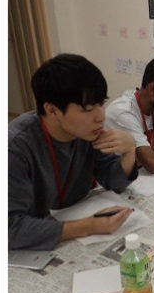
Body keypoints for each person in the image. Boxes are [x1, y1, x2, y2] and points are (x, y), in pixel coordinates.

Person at [9, 55, 138, 250]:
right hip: (34, 242)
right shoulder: (15, 148)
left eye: (101, 103)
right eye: (87, 109)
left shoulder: (87, 132)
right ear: (52, 111)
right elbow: (9, 229)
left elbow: (114, 182)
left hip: (71, 222)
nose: (100, 117)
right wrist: (87, 226)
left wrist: (129, 151)